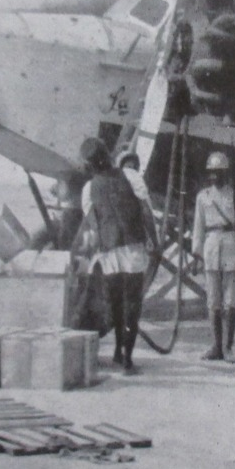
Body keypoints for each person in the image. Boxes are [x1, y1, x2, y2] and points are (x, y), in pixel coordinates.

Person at [79, 136, 157, 372]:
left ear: (89, 164)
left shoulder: (88, 189)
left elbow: (93, 223)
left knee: (115, 304)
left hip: (109, 252)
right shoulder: (131, 176)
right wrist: (155, 240)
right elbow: (145, 211)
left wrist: (98, 246)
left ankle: (117, 351)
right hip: (132, 248)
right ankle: (127, 358)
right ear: (108, 154)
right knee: (132, 304)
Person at [191, 152, 235, 361]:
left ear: (226, 174)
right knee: (212, 301)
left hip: (230, 247)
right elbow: (198, 227)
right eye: (212, 173)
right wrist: (197, 254)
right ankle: (215, 346)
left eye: (219, 173)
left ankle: (228, 348)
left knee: (229, 302)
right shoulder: (203, 197)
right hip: (210, 248)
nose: (215, 177)